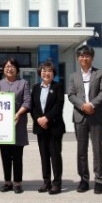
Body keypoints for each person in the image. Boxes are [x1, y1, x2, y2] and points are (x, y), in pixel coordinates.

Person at [67, 45, 102, 195]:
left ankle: (99, 180)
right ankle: (84, 179)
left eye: (87, 56)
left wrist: (91, 104)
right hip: (80, 116)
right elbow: (71, 94)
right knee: (81, 150)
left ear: (92, 57)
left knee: (97, 149)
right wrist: (83, 105)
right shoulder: (73, 76)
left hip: (96, 116)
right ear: (78, 58)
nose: (84, 58)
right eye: (81, 56)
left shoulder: (100, 73)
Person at [30, 60, 65, 195]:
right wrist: (38, 118)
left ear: (53, 73)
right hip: (40, 127)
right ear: (40, 73)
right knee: (44, 155)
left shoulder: (58, 86)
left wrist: (47, 118)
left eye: (49, 71)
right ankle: (46, 182)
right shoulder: (36, 88)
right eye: (44, 71)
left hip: (54, 126)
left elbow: (59, 104)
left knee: (55, 156)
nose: (46, 73)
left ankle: (57, 183)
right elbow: (32, 107)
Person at [0, 57, 31, 194]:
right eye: (7, 67)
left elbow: (27, 101)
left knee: (17, 156)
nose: (9, 69)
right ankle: (7, 182)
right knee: (5, 155)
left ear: (17, 69)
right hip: (3, 126)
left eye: (12, 66)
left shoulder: (23, 83)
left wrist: (18, 114)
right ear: (3, 69)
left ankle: (17, 183)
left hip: (18, 124)